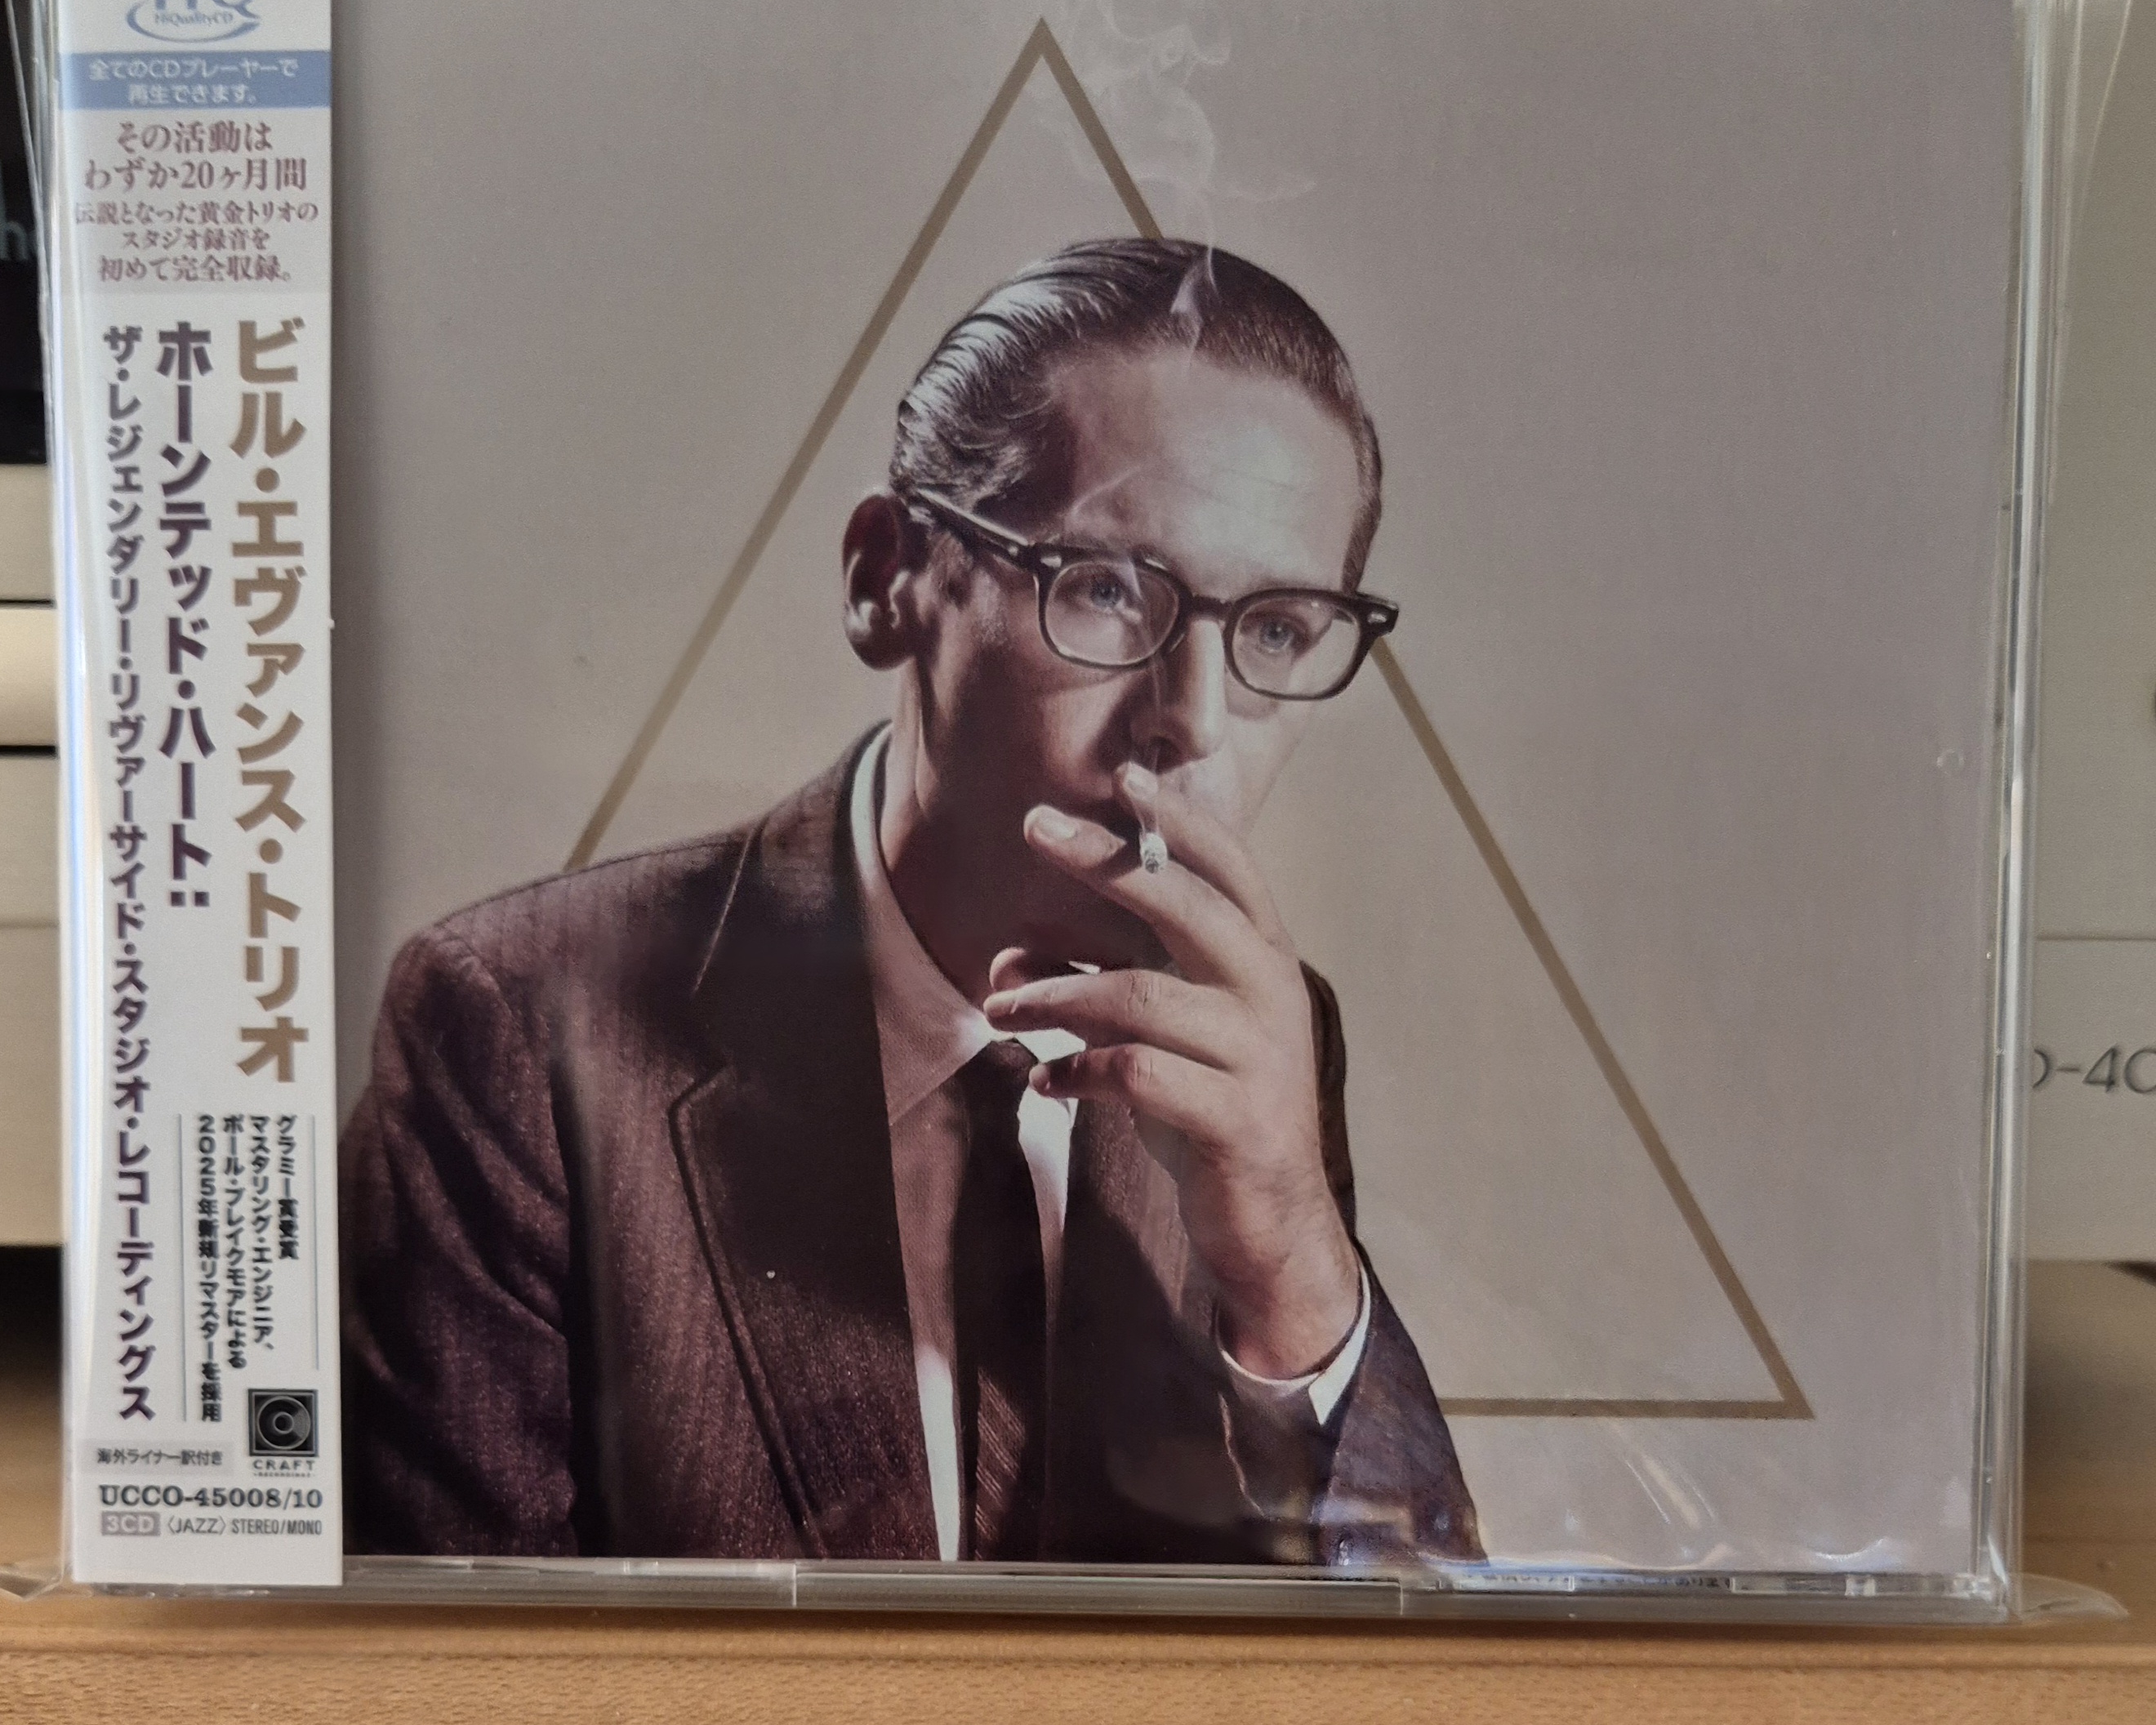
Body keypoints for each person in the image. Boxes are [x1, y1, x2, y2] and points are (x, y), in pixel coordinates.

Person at [342, 238, 1481, 1568]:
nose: (1195, 721)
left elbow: (1423, 1629)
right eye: (1107, 590)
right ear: (888, 579)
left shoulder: (1268, 1037)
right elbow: (458, 1664)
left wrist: (1297, 1274)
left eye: (1276, 629)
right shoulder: (521, 1029)